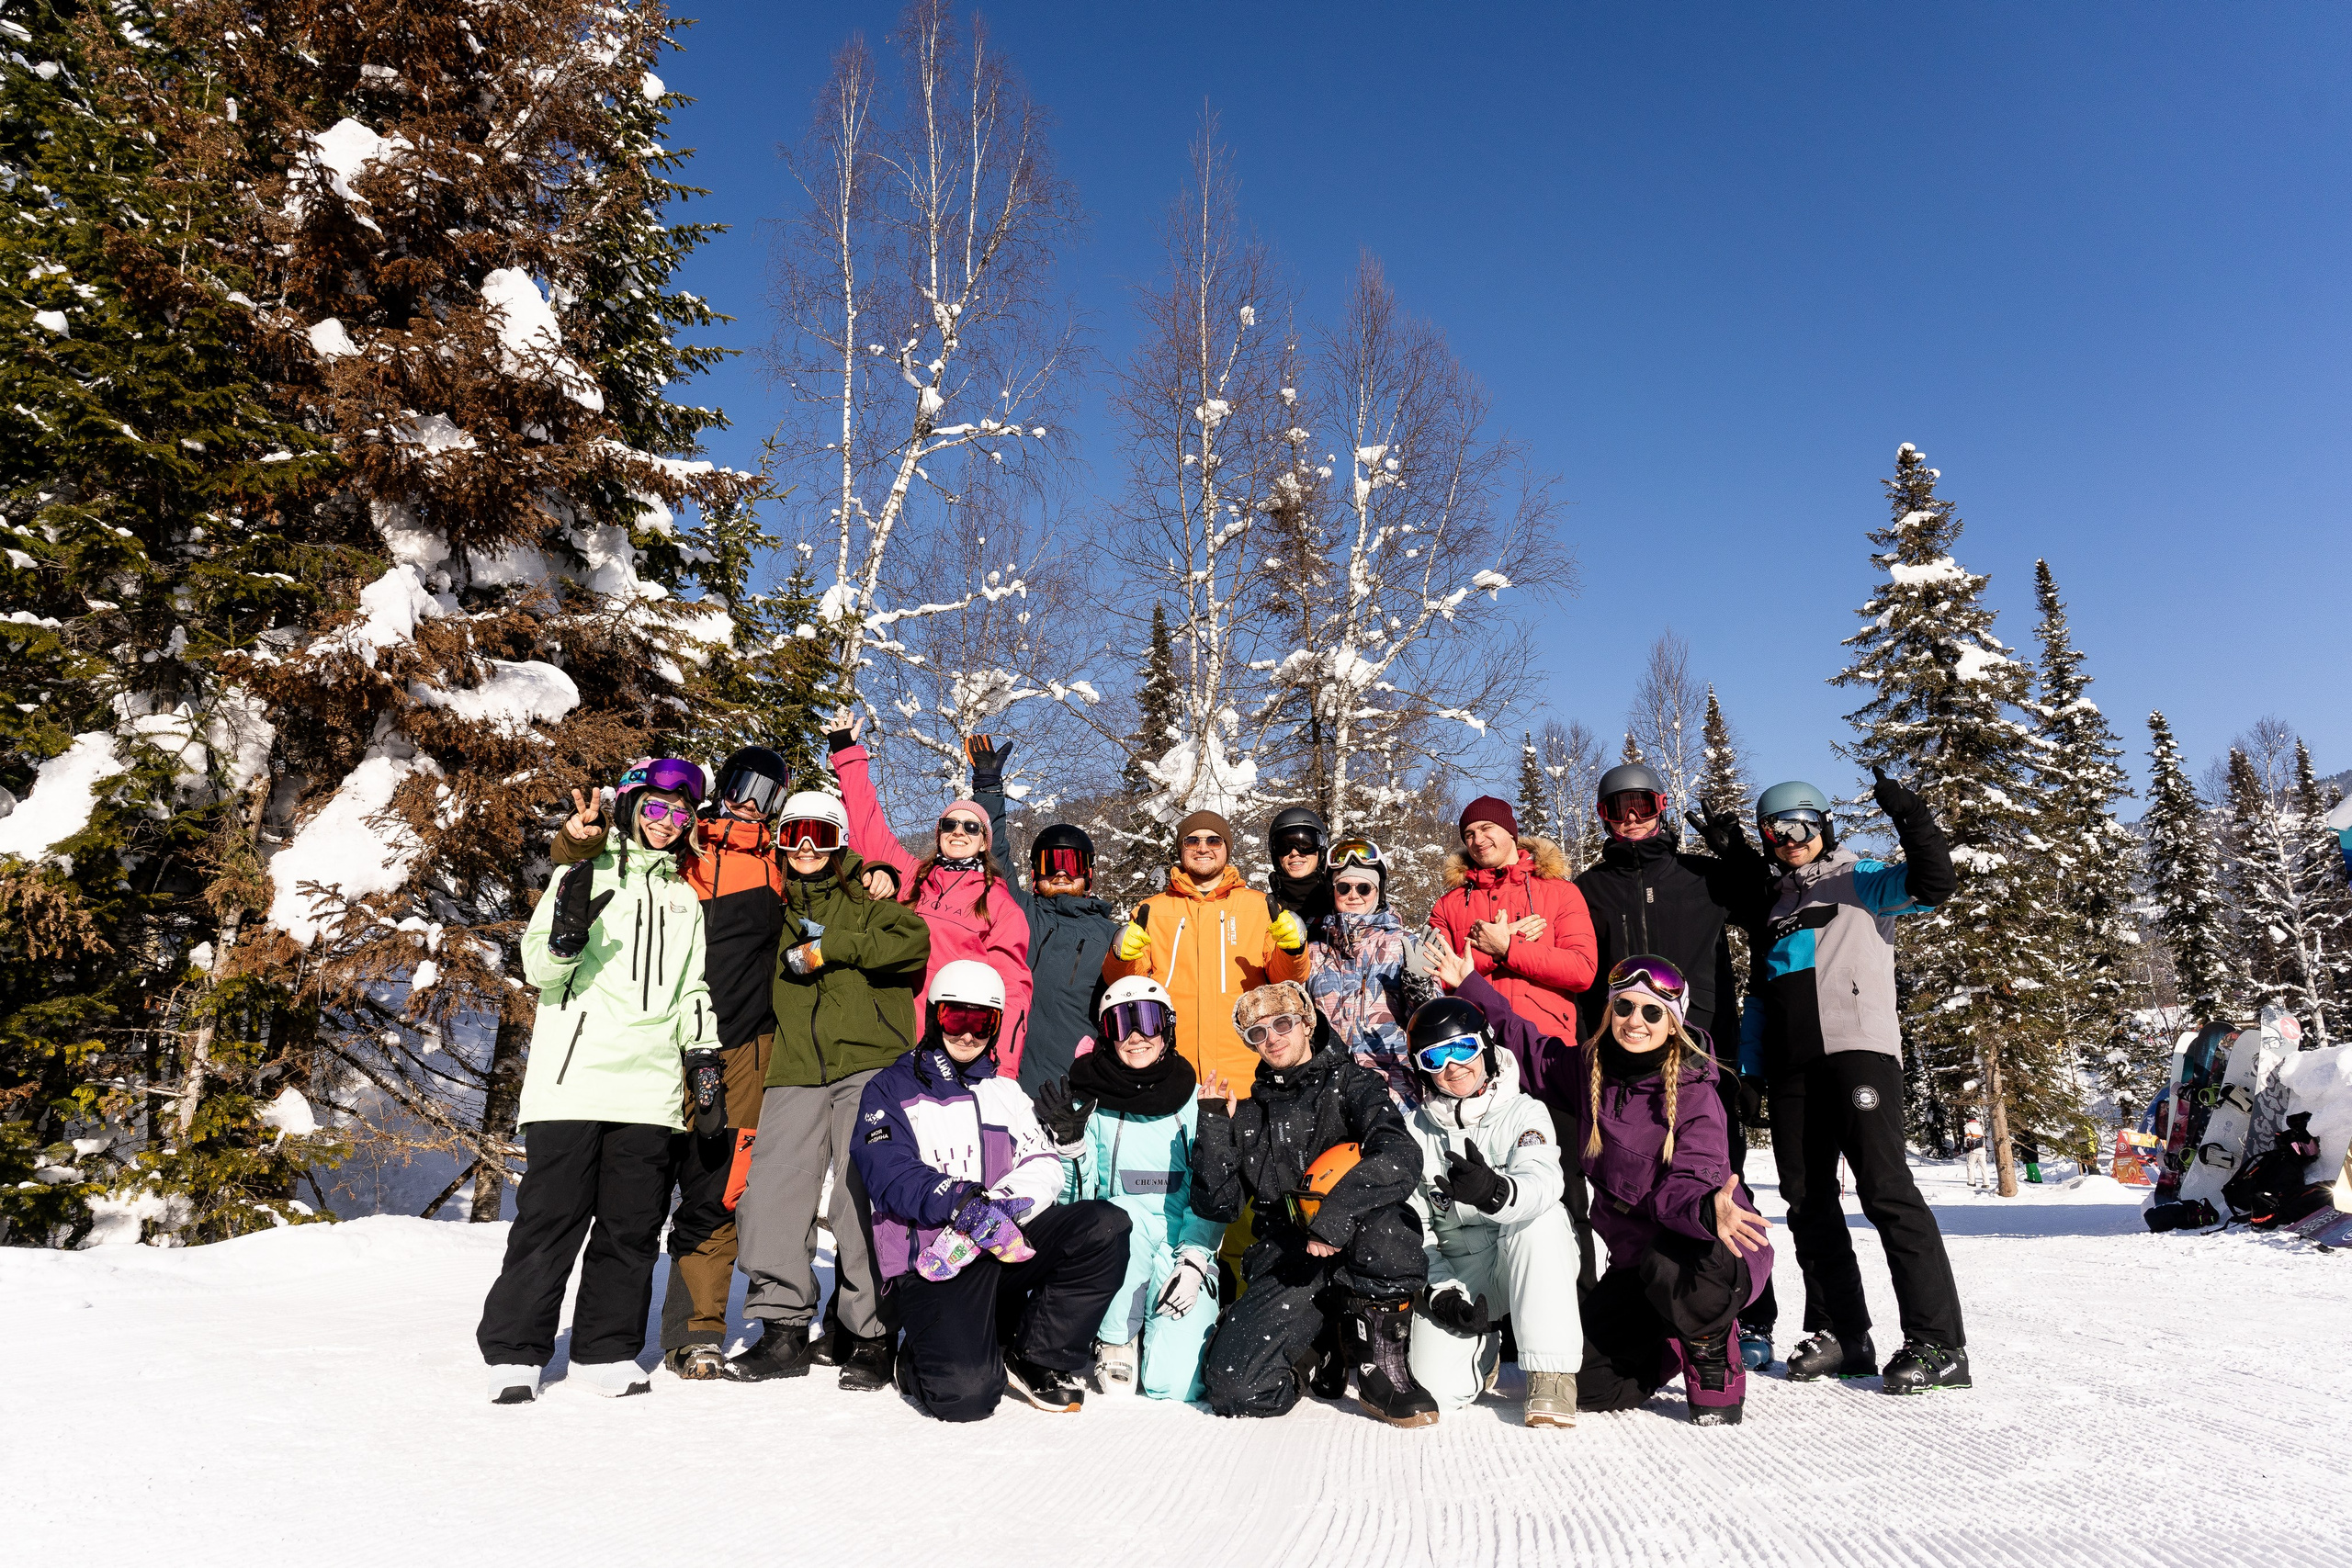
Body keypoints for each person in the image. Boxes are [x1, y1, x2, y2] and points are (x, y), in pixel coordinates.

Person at [1431, 942, 1773, 1426]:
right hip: (1637, 1264)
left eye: (1652, 1012)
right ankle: (1671, 1338)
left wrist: (1703, 1210)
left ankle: (1710, 1346)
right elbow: (1527, 1046)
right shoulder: (1589, 1068)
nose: (1636, 1021)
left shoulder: (1696, 1092)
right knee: (1587, 1386)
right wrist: (1470, 985)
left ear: (1673, 1022)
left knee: (1669, 1265)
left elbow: (1693, 1175)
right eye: (1625, 1007)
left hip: (1713, 1245)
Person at [548, 747, 792, 1381]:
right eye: (743, 785)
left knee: (716, 1190)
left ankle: (695, 1332)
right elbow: (599, 859)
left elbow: (841, 873)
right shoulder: (680, 842)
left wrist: (875, 873)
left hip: (741, 1051)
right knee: (638, 1191)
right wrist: (575, 841)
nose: (751, 803)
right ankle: (608, 1335)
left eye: (768, 794)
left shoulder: (780, 865)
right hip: (661, 1046)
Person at [478, 760, 718, 1404]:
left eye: (680, 813)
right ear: (633, 806)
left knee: (630, 1226)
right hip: (574, 1079)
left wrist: (702, 1053)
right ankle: (516, 1350)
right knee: (550, 1219)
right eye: (657, 808)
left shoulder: (683, 899)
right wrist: (564, 939)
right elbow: (538, 971)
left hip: (650, 1088)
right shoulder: (582, 871)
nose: (668, 822)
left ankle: (604, 1348)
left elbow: (692, 986)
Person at [1748, 772, 1970, 1394]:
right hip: (1793, 1070)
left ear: (1824, 825)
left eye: (1802, 825)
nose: (1791, 839)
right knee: (1806, 1201)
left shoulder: (1862, 878)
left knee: (1886, 1191)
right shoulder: (1775, 905)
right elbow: (1760, 999)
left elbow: (1934, 883)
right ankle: (1844, 1333)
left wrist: (1912, 816)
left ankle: (1939, 1343)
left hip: (1858, 1054)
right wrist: (1752, 1072)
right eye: (1775, 831)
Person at [854, 961, 1133, 1421]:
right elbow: (889, 1173)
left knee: (1104, 1225)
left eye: (981, 1022)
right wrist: (961, 1202)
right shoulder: (888, 1089)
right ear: (935, 1016)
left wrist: (998, 1207)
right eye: (955, 1018)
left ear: (997, 1025)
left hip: (1004, 1243)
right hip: (937, 1260)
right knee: (967, 1396)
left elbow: (1043, 1163)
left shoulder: (1007, 1093)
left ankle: (1037, 1355)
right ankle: (917, 1360)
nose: (968, 1034)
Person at [1578, 761, 1782, 1367]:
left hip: (1704, 1056)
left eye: (1641, 805)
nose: (1631, 818)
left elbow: (1765, 906)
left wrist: (1737, 854)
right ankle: (1656, 1307)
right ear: (1603, 818)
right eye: (1617, 809)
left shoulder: (1702, 877)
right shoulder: (1590, 889)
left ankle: (1749, 1314)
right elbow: (1578, 974)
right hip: (1624, 1064)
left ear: (1661, 806)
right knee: (1630, 1186)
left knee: (1722, 1180)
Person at [729, 790, 931, 1391]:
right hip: (794, 1066)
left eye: (819, 833)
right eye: (794, 833)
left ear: (839, 841)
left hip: (869, 1063)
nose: (806, 847)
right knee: (771, 1193)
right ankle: (783, 1328)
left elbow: (912, 944)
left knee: (857, 1196)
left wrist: (831, 946)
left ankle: (870, 1333)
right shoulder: (774, 906)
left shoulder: (869, 899)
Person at [1192, 980, 1438, 1427]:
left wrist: (1335, 1216)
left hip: (1359, 1241)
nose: (1272, 1038)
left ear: (1306, 1023)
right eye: (1258, 1033)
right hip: (1290, 1261)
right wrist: (1213, 1130)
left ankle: (1385, 1366)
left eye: (1282, 1024)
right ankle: (1318, 1348)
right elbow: (1219, 1208)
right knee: (1234, 1388)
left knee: (1387, 1225)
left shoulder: (1354, 1084)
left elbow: (1401, 1155)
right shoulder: (1249, 1114)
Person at [1031, 976, 1227, 1400]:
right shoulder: (1089, 1102)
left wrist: (1195, 1260)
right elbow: (1078, 1205)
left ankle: (1179, 1324)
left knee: (1175, 1386)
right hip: (1118, 1247)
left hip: (1179, 1248)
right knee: (1125, 1217)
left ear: (1168, 1027)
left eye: (1149, 1021)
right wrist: (1071, 1147)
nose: (1136, 1036)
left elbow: (1212, 1191)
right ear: (1107, 1034)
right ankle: (1116, 1336)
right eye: (1122, 1023)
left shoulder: (1195, 1101)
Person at [1397, 994, 1583, 1428]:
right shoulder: (1413, 1132)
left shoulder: (1525, 1111)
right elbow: (1414, 1228)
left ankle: (1551, 1374)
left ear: (1485, 1045)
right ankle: (1483, 1353)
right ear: (1421, 1069)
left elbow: (1543, 1181)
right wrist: (1441, 1291)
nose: (1453, 1066)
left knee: (1542, 1220)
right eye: (1434, 1057)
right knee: (1436, 1390)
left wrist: (1495, 1193)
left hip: (1522, 1257)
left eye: (1463, 1048)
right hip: (1463, 1269)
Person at [826, 708, 1035, 1074]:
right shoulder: (911, 877)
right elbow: (867, 824)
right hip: (894, 1039)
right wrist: (846, 753)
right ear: (939, 834)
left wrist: (1002, 1070)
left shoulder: (999, 905)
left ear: (984, 843)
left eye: (972, 827)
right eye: (950, 824)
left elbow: (1012, 990)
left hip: (955, 1048)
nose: (959, 831)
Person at [1102, 809, 1309, 1094]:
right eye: (1192, 841)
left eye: (1213, 840)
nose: (1203, 848)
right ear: (1181, 849)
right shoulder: (1152, 910)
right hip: (1174, 1069)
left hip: (1246, 1071)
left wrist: (1293, 950)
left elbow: (1287, 982)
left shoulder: (1260, 906)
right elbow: (1125, 987)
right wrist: (1121, 956)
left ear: (1226, 849)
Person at [967, 734, 1122, 1094]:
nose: (1062, 872)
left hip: (1071, 1090)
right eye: (1052, 862)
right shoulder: (1019, 912)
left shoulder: (1110, 936)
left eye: (1072, 863)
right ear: (1036, 873)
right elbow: (995, 855)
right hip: (1001, 1083)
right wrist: (988, 789)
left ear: (1089, 874)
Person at [1428, 795, 1598, 1044]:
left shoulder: (1561, 892)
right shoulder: (1448, 905)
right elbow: (1432, 978)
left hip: (1546, 1042)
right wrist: (1492, 952)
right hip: (1474, 1044)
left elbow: (1582, 970)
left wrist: (1509, 947)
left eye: (1486, 828)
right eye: (1469, 834)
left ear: (1510, 832)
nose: (1478, 840)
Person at [1303, 837, 1433, 1109]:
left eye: (1364, 888)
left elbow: (1432, 1025)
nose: (1354, 895)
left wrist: (1420, 987)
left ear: (1378, 892)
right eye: (1344, 887)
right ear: (1332, 891)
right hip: (1327, 1094)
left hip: (1395, 1094)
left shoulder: (1404, 946)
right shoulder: (1313, 953)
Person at [1267, 805, 1337, 930]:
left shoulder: (1341, 901)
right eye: (1283, 846)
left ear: (1321, 850)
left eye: (1305, 844)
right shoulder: (1266, 910)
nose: (1294, 852)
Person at [1964, 1120, 1989, 1193]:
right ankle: (1986, 1183)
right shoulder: (1980, 1126)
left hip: (1973, 1150)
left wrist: (1966, 1148)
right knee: (1983, 1166)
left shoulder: (1968, 1127)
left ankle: (1971, 1182)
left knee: (1970, 1165)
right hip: (1982, 1149)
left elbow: (1968, 1139)